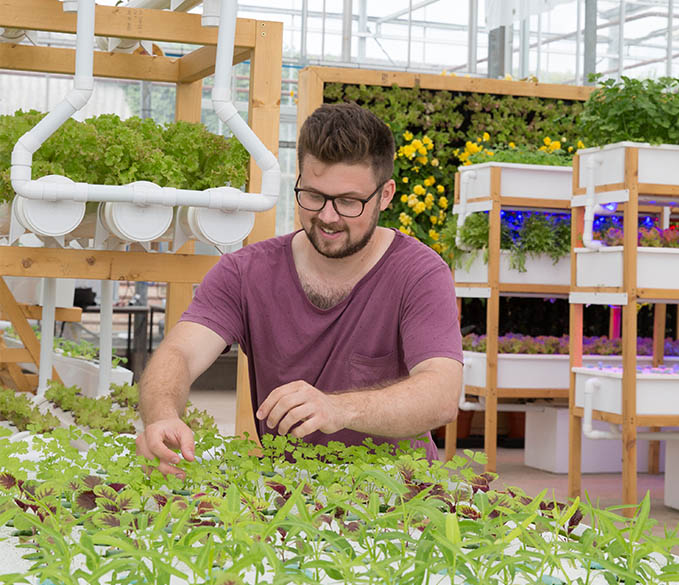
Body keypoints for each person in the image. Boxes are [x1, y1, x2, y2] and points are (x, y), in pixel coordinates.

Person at [135, 103, 463, 478]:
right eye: (312, 195)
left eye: (348, 202)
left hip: (399, 497)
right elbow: (179, 352)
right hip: (290, 503)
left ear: (385, 195)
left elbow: (441, 394)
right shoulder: (245, 273)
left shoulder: (419, 274)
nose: (327, 216)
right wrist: (162, 417)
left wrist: (338, 409)